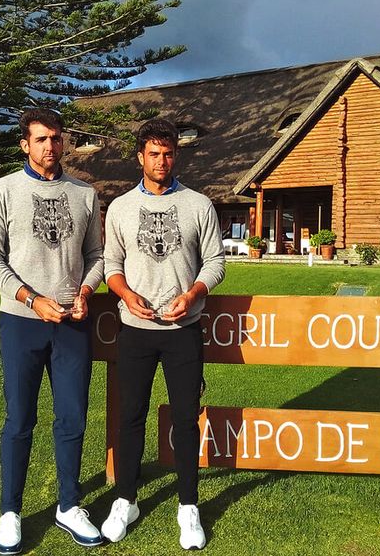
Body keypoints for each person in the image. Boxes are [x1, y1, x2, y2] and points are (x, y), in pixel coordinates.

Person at [0, 108, 104, 555]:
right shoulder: (3, 190)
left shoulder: (85, 194)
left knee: (72, 418)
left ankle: (69, 506)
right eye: (41, 139)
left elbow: (97, 255)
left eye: (56, 138)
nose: (51, 146)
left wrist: (86, 290)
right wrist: (32, 298)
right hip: (21, 323)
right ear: (25, 145)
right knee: (19, 421)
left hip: (72, 324)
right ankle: (10, 511)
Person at [100, 118, 225, 550]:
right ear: (140, 157)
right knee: (130, 417)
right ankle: (126, 500)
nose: (161, 160)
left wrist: (192, 294)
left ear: (177, 155)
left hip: (183, 330)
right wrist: (124, 293)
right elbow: (110, 265)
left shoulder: (198, 204)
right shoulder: (119, 208)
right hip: (135, 330)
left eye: (168, 153)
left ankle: (188, 507)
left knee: (187, 418)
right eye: (153, 153)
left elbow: (215, 263)